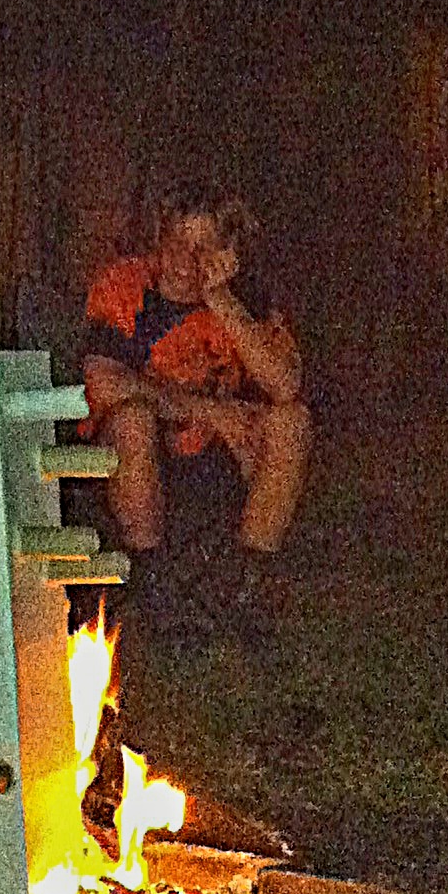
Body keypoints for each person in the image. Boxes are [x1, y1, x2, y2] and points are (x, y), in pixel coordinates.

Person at [81, 186, 311, 635]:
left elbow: (286, 385)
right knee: (131, 419)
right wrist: (209, 411)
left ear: (228, 252)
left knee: (292, 423)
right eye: (178, 242)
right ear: (159, 238)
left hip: (220, 455)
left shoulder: (245, 301)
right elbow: (103, 380)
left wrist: (221, 300)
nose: (188, 259)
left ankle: (245, 585)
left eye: (204, 247)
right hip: (142, 454)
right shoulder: (127, 286)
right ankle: (154, 589)